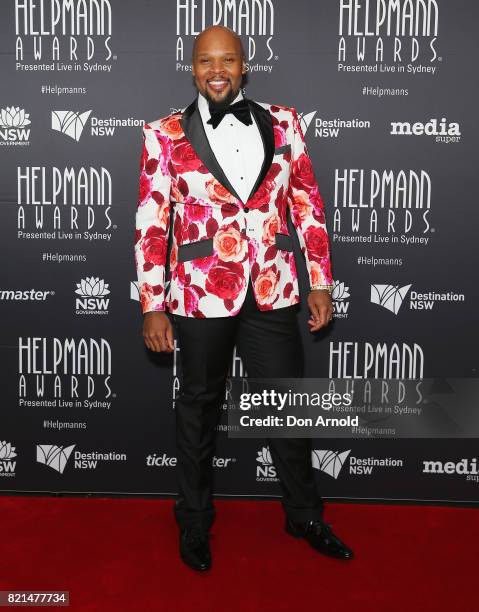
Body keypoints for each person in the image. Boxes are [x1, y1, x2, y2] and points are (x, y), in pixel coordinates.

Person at [134, 25, 353, 571]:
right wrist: (152, 303)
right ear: (192, 67)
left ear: (243, 66)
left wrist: (319, 280)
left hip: (272, 289)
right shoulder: (162, 134)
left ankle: (305, 514)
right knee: (198, 412)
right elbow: (152, 224)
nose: (216, 69)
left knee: (287, 407)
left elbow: (306, 204)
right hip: (198, 297)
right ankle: (193, 522)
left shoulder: (285, 121)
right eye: (206, 60)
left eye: (227, 59)